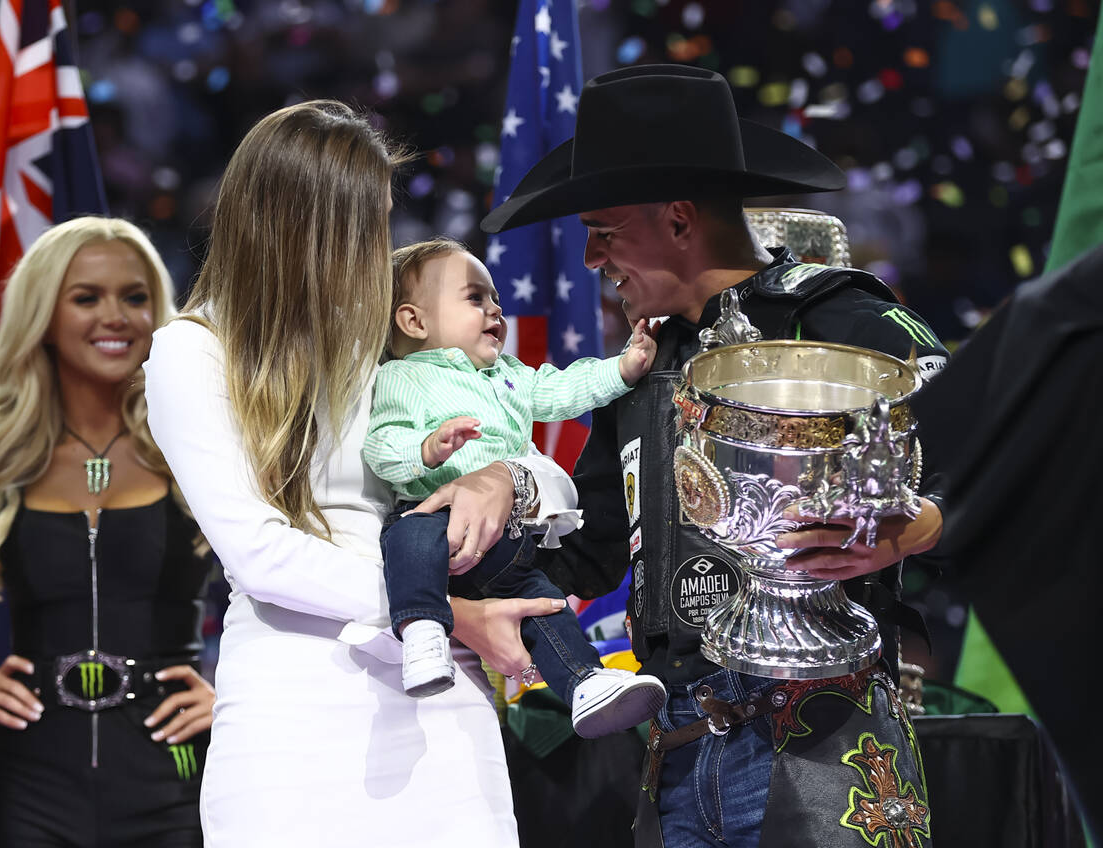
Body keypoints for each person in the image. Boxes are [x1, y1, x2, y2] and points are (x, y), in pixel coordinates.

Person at [481, 65, 949, 848]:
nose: (595, 258)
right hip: (678, 756)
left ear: (678, 218)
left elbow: (999, 455)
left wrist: (915, 526)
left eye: (605, 229)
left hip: (826, 742)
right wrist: (466, 575)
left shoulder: (835, 318)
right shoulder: (637, 372)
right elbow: (588, 552)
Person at [142, 100, 580, 847]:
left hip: (442, 695)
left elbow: (555, 483)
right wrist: (446, 613)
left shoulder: (396, 343)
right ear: (292, 222)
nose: (377, 249)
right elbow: (258, 553)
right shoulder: (192, 351)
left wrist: (504, 479)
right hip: (295, 709)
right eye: (360, 225)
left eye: (379, 221)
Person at [0, 216, 216, 847]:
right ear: (43, 317)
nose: (117, 317)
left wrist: (237, 698)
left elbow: (282, 594)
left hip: (179, 776)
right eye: (86, 298)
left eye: (135, 297)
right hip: (32, 784)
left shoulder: (200, 453)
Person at [362, 237, 665, 737]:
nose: (495, 310)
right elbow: (381, 445)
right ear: (414, 322)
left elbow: (565, 389)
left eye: (496, 299)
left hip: (509, 539)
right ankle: (421, 632)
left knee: (543, 605)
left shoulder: (508, 375)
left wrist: (622, 367)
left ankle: (585, 683)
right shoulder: (403, 378)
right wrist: (426, 449)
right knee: (407, 534)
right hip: (437, 515)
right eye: (475, 298)